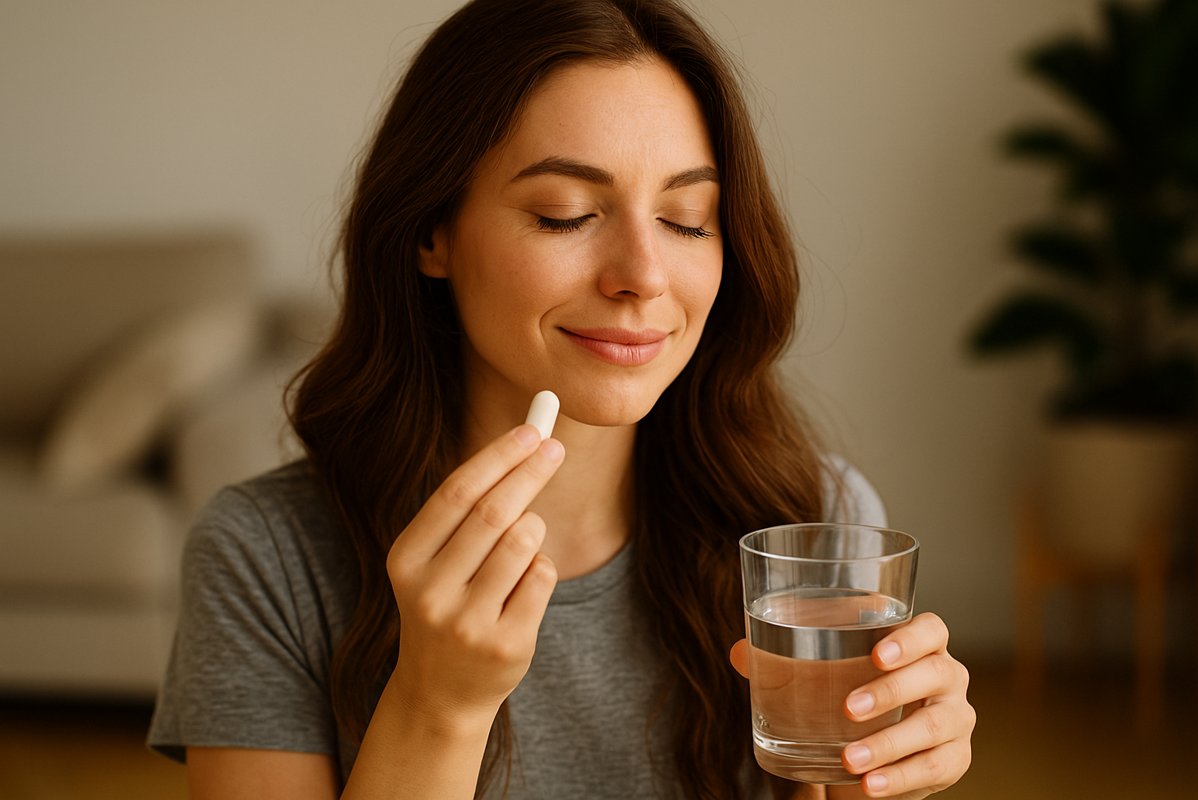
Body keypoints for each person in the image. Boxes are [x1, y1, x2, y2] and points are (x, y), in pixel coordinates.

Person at [147, 1, 975, 798]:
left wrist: (874, 783)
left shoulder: (816, 530)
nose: (644, 277)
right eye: (564, 214)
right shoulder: (266, 558)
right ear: (432, 231)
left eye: (688, 219)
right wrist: (437, 708)